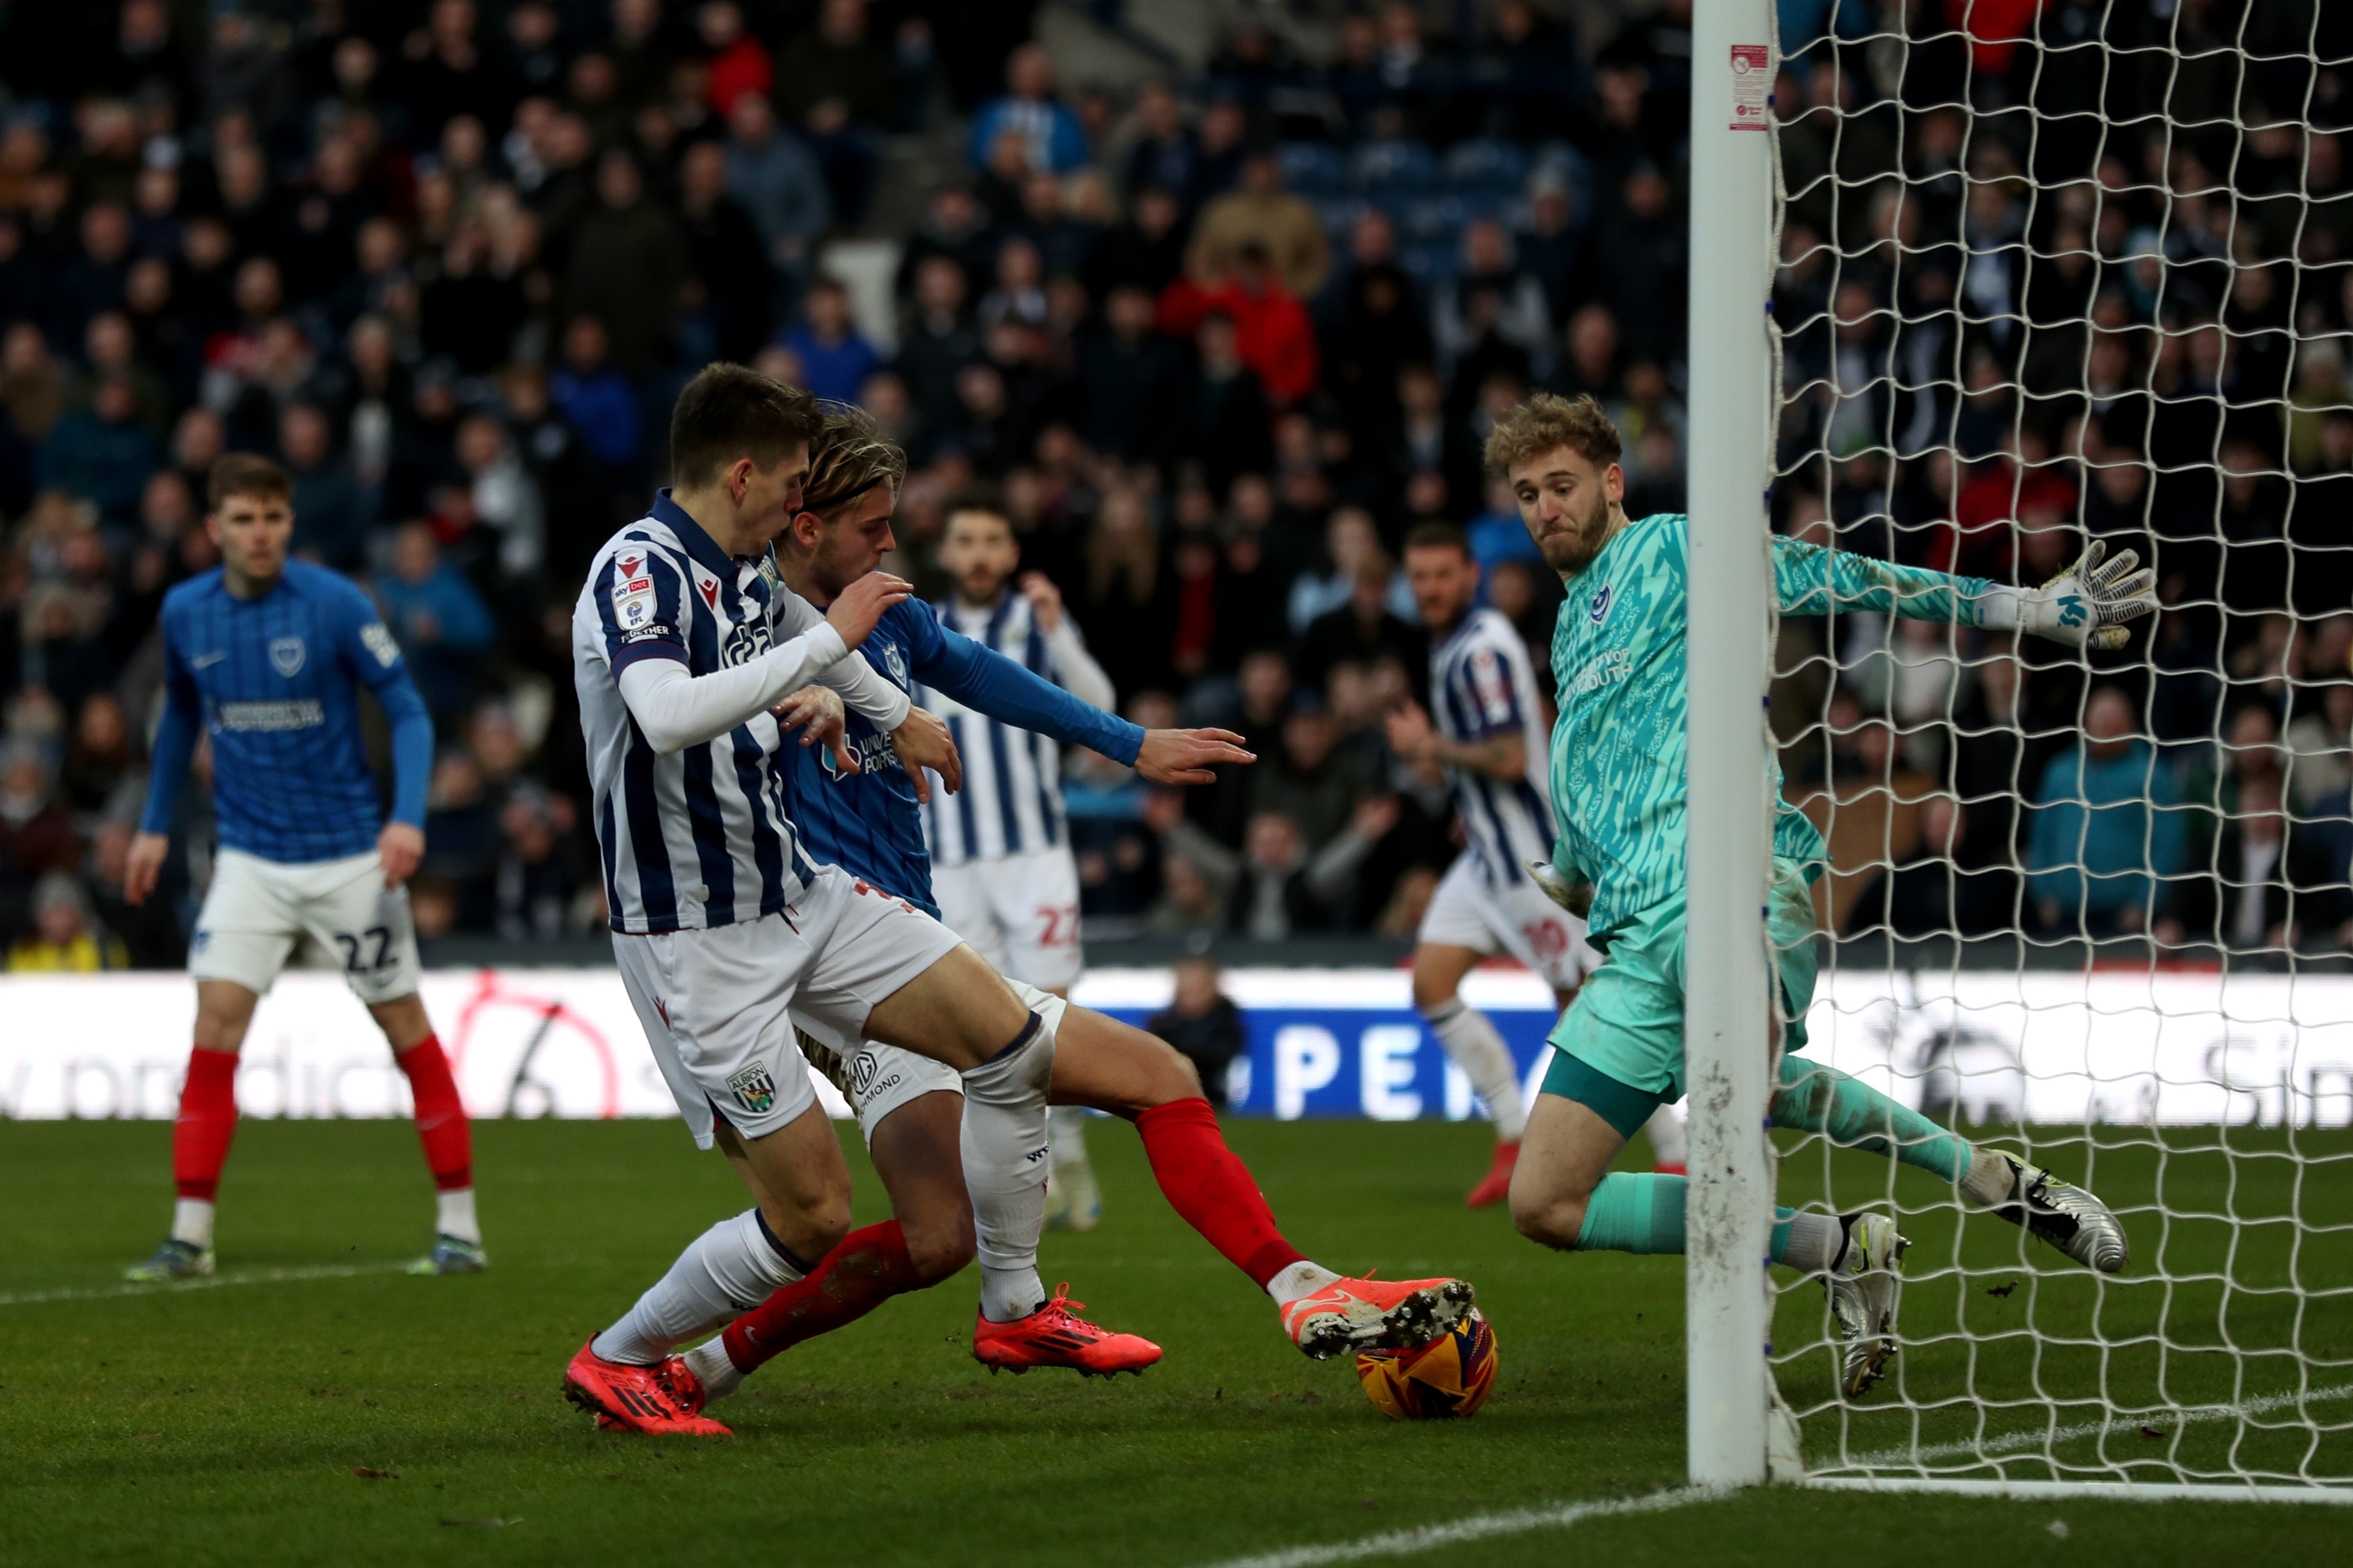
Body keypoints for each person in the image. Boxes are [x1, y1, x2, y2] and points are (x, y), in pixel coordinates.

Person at [559, 367, 1478, 1435]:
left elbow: (909, 658)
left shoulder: (748, 580)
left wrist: (891, 711)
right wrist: (829, 651)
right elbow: (667, 715)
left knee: (1009, 1046)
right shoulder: (641, 569)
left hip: (805, 901)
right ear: (749, 474)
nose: (837, 526)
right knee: (812, 1214)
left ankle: (1019, 1301)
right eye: (817, 497)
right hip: (696, 943)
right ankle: (624, 1356)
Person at [1489, 393, 2143, 1398]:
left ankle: (1986, 1181)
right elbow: (1593, 757)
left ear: (1610, 482)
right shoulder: (1574, 625)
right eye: (1526, 494)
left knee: (1737, 1097)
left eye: (1560, 485)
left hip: (1736, 884)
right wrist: (1574, 866)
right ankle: (1842, 1244)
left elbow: (1831, 575)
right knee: (1544, 1201)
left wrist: (2021, 610)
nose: (1543, 508)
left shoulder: (1669, 549)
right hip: (1632, 934)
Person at [672, 404, 1254, 1398]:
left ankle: (702, 1366)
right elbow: (679, 745)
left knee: (933, 1233)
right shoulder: (737, 628)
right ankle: (1026, 1309)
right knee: (1061, 1057)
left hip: (905, 932)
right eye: (872, 524)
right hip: (822, 955)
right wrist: (789, 708)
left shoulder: (886, 611)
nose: (892, 542)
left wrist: (1131, 743)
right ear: (804, 521)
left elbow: (982, 674)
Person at [120, 455, 477, 1280]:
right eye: (243, 519)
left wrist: (407, 818)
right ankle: (190, 1235)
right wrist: (151, 826)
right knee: (213, 1028)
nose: (260, 533)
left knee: (405, 1030)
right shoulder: (185, 613)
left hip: (354, 858)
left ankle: (460, 1226)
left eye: (273, 517)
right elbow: (177, 719)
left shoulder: (336, 603)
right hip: (249, 859)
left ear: (290, 523)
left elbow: (409, 709)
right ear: (213, 528)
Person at [1384, 520, 1684, 1209]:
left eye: (1441, 575)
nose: (1429, 589)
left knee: (1584, 1003)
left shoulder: (1480, 651)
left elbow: (1509, 758)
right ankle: (1513, 1135)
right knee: (1432, 982)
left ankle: (1677, 1149)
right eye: (1419, 577)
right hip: (1482, 861)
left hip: (1530, 860)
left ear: (1470, 576)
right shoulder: (1451, 646)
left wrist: (1432, 748)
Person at [921, 499, 1118, 1231]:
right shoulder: (917, 626)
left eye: (992, 540)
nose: (978, 552)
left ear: (1011, 553)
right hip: (947, 860)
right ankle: (1021, 1177)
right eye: (965, 538)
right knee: (981, 1032)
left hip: (1034, 855)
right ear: (945, 552)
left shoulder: (1038, 626)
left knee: (1053, 1016)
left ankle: (1068, 1154)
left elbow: (1099, 709)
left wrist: (1059, 628)